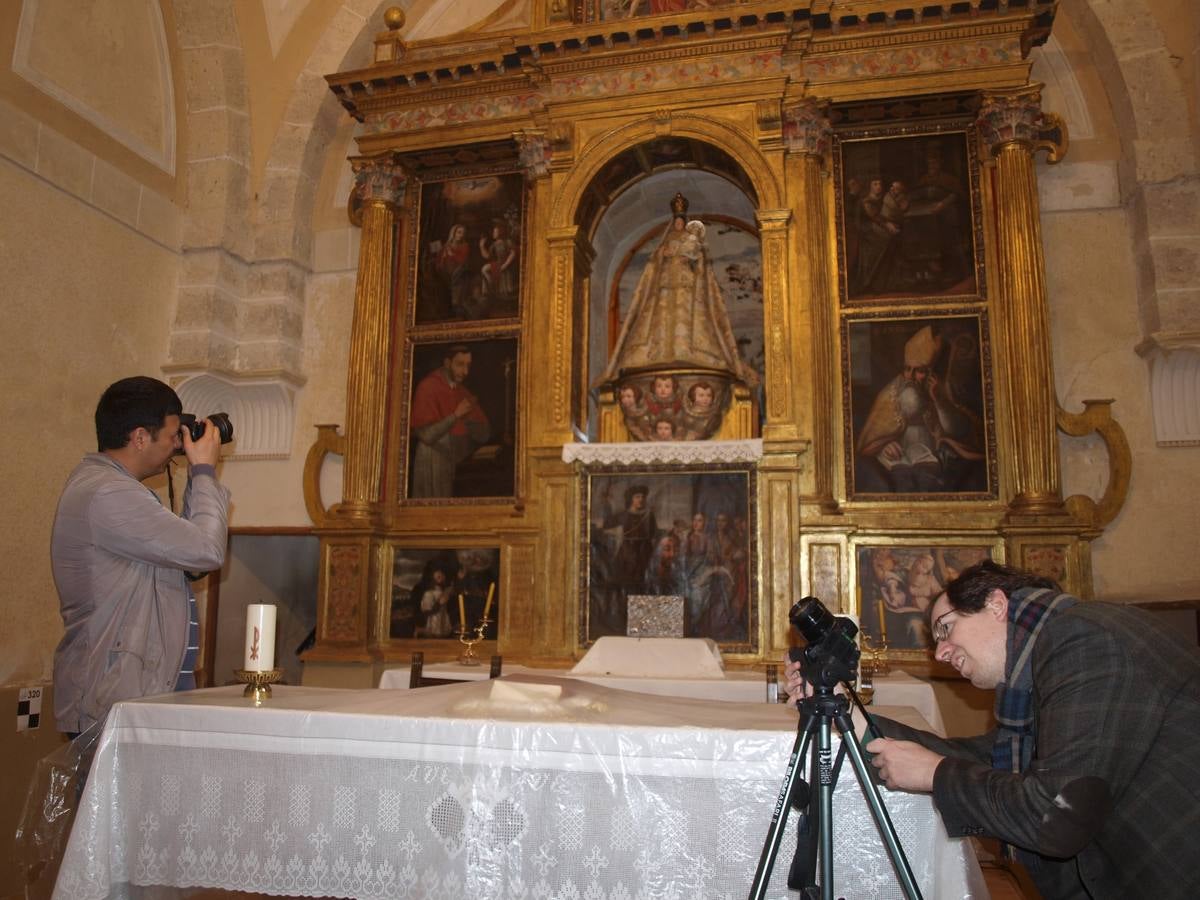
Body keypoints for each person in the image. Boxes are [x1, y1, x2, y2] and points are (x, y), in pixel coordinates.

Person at [785, 561, 1200, 900]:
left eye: (945, 629)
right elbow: (985, 761)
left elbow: (1053, 815)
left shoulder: (1084, 638)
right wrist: (843, 706)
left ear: (996, 604)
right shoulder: (1052, 659)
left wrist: (935, 772)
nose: (942, 653)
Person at [51, 376, 229, 736]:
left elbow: (189, 559)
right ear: (139, 438)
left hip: (130, 690)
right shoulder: (109, 494)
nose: (176, 445)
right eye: (171, 435)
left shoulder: (116, 491)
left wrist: (198, 477)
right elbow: (207, 551)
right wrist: (205, 469)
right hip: (113, 697)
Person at [597, 193, 758, 388]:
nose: (679, 225)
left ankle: (685, 350)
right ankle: (661, 351)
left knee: (684, 314)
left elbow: (696, 256)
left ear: (685, 223)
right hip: (666, 280)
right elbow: (657, 259)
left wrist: (687, 250)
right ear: (674, 223)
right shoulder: (668, 239)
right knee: (663, 314)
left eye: (682, 222)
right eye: (677, 222)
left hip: (685, 282)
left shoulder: (691, 238)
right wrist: (664, 254)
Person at [855, 324, 985, 493]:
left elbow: (957, 432)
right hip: (898, 456)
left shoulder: (940, 390)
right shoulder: (892, 393)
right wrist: (883, 445)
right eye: (908, 369)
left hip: (929, 455)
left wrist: (938, 400)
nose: (911, 376)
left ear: (932, 373)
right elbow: (872, 438)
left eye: (919, 371)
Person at [409, 345, 490, 498]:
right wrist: (456, 415)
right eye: (460, 364)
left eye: (468, 365)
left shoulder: (461, 390)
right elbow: (426, 435)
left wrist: (470, 421)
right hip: (432, 462)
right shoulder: (428, 387)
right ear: (447, 363)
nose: (465, 372)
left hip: (454, 461)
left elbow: (484, 432)